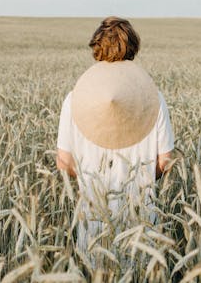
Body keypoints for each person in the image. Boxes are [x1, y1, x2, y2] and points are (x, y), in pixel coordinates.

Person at [56, 16, 174, 258]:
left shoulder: (74, 99)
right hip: (141, 218)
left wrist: (93, 182)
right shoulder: (154, 99)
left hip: (93, 217)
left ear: (96, 49)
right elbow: (165, 161)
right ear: (132, 49)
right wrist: (139, 178)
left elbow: (63, 162)